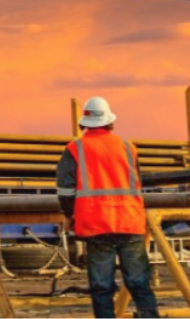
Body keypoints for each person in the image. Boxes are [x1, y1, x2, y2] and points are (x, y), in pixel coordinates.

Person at [56, 97, 159, 319]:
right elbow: (137, 182)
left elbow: (65, 190)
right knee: (139, 282)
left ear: (85, 122)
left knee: (102, 287)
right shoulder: (128, 147)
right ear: (109, 121)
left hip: (96, 224)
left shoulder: (75, 149)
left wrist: (68, 214)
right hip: (130, 221)